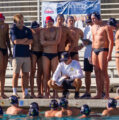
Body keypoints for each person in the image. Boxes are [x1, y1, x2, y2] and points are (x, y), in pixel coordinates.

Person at [91, 12, 113, 99]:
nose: (92, 20)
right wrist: (91, 53)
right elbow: (93, 41)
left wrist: (109, 54)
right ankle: (99, 93)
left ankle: (107, 94)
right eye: (92, 19)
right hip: (94, 50)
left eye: (94, 19)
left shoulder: (106, 27)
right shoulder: (92, 27)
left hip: (103, 50)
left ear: (98, 18)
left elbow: (111, 41)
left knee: (103, 71)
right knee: (96, 72)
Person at [10, 14, 33, 98]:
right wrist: (24, 40)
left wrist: (22, 41)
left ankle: (25, 93)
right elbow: (15, 41)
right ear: (15, 22)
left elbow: (30, 41)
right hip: (17, 56)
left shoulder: (27, 29)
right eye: (19, 22)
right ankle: (14, 92)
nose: (21, 23)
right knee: (16, 74)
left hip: (26, 55)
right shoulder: (13, 30)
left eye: (22, 21)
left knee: (26, 74)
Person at [40, 16, 61, 98]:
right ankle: (46, 93)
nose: (49, 24)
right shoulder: (43, 30)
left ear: (53, 22)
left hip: (54, 54)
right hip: (45, 54)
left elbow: (57, 42)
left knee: (55, 74)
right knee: (46, 74)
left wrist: (47, 42)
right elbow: (42, 42)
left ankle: (55, 93)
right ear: (46, 22)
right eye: (48, 22)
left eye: (51, 22)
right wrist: (53, 42)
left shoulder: (57, 29)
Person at [80, 14, 93, 99]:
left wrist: (90, 42)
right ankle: (87, 92)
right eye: (88, 22)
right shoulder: (86, 28)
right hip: (87, 53)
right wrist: (83, 43)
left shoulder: (98, 27)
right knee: (87, 73)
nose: (89, 23)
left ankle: (101, 92)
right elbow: (84, 42)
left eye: (90, 21)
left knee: (100, 73)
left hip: (96, 53)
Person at [0, 13, 12, 98]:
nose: (2, 21)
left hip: (5, 49)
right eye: (0, 20)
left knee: (3, 72)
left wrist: (10, 50)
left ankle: (2, 92)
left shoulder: (6, 26)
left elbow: (7, 38)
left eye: (3, 20)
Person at [30, 21, 43, 98]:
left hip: (41, 53)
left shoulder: (42, 31)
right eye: (34, 28)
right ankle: (32, 92)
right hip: (33, 52)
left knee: (40, 73)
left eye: (37, 28)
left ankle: (39, 92)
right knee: (32, 72)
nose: (36, 30)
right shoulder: (30, 33)